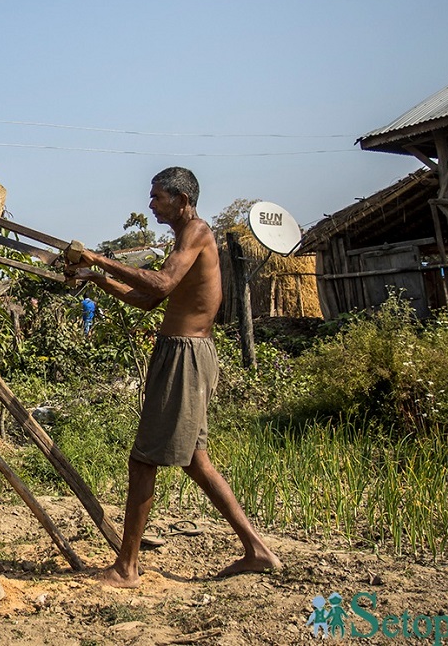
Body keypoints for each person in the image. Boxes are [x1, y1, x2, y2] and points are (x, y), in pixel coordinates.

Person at [65, 166, 281, 587]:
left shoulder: (197, 231)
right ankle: (257, 550)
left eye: (157, 197)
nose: (150, 204)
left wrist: (95, 257)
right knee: (195, 461)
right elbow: (147, 300)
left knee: (144, 459)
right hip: (182, 353)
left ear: (182, 200)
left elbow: (160, 284)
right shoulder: (185, 238)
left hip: (185, 356)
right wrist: (97, 278)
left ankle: (127, 568)